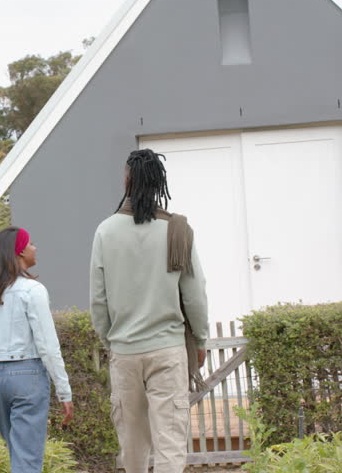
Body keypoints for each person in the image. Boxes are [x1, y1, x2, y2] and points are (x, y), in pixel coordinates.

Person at [89, 148, 210, 473]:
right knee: (170, 444)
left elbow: (98, 302)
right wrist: (199, 341)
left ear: (127, 181)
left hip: (125, 352)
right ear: (159, 183)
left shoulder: (106, 231)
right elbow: (194, 294)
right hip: (168, 350)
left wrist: (111, 342)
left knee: (132, 447)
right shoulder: (177, 230)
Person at [0, 226, 74, 473]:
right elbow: (48, 346)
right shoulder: (33, 290)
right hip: (27, 375)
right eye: (31, 243)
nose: (35, 248)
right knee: (28, 461)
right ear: (20, 251)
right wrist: (64, 391)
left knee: (18, 455)